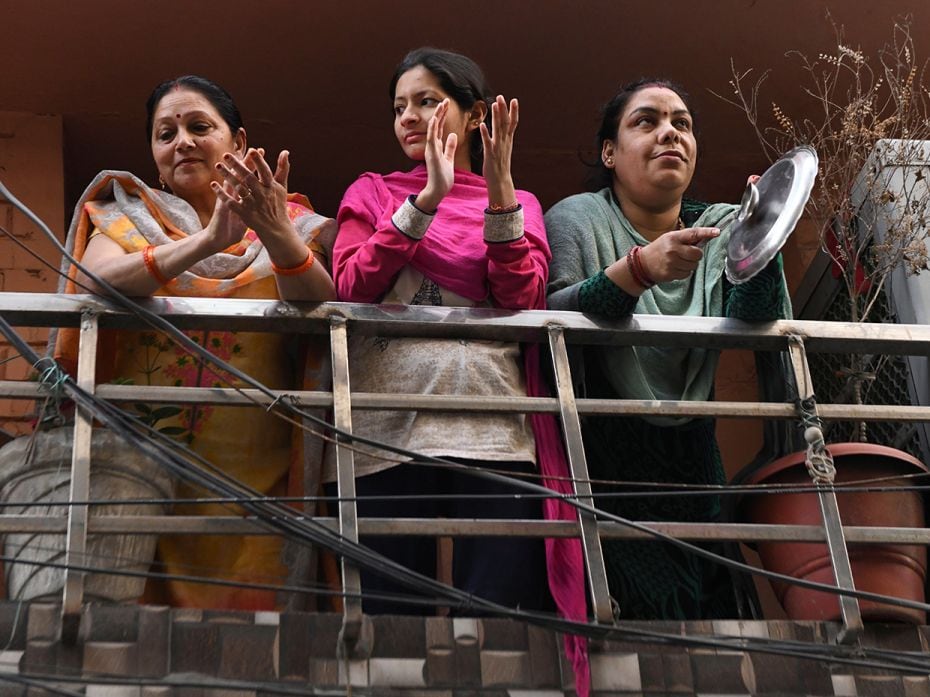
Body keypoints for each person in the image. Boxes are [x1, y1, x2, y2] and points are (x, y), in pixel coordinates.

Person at [328, 46, 587, 675]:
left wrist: (497, 192)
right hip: (387, 429)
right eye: (398, 108)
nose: (408, 118)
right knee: (391, 616)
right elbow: (350, 284)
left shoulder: (519, 198)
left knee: (501, 616)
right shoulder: (374, 191)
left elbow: (520, 298)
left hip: (494, 430)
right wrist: (428, 199)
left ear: (474, 118)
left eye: (425, 101)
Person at [57, 75, 336, 610]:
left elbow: (318, 301)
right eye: (166, 133)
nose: (181, 140)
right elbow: (96, 281)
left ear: (237, 139)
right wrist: (208, 243)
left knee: (257, 638)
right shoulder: (121, 215)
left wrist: (274, 231)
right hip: (143, 472)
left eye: (198, 126)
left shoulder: (293, 221)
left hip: (261, 476)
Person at [545, 78, 791, 620]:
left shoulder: (721, 226)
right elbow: (551, 315)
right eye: (646, 121)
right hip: (602, 448)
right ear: (609, 152)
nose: (669, 134)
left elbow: (755, 317)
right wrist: (639, 269)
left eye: (682, 123)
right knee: (628, 622)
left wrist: (763, 232)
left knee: (717, 616)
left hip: (696, 452)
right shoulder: (577, 219)